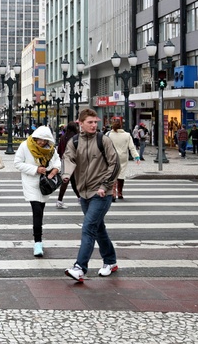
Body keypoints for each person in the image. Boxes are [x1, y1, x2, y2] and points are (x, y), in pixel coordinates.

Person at [61, 108, 120, 282]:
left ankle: (80, 268)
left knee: (88, 228)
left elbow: (114, 165)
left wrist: (105, 185)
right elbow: (68, 158)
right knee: (98, 228)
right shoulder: (75, 141)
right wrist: (65, 175)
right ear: (81, 123)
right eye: (90, 122)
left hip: (101, 193)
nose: (94, 125)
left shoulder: (104, 140)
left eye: (96, 122)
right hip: (83, 193)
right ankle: (110, 261)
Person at [13, 125, 61, 258]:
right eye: (40, 139)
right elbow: (17, 163)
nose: (41, 142)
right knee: (37, 210)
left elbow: (57, 160)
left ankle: (38, 239)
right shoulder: (25, 146)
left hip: (45, 184)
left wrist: (55, 169)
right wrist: (35, 170)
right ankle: (38, 242)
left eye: (45, 140)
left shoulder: (50, 149)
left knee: (41, 209)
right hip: (31, 183)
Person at [106, 121, 140, 201]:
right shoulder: (127, 135)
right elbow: (132, 147)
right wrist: (136, 157)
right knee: (121, 174)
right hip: (123, 157)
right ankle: (120, 193)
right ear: (121, 126)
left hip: (112, 156)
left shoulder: (108, 134)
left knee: (113, 174)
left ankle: (113, 193)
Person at [55, 121, 80, 208]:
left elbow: (59, 151)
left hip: (65, 161)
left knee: (68, 181)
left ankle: (60, 200)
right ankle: (79, 198)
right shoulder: (77, 138)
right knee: (72, 182)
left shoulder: (63, 137)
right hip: (74, 162)